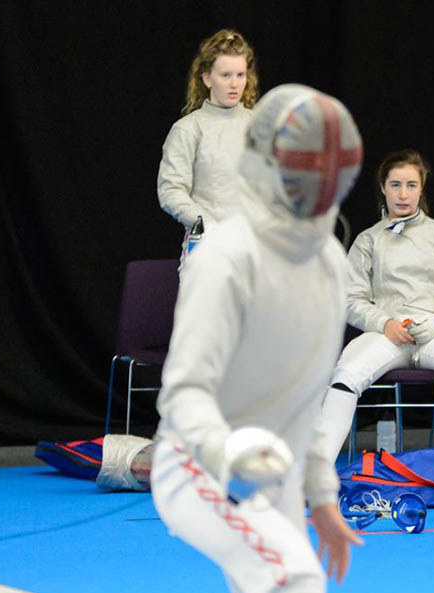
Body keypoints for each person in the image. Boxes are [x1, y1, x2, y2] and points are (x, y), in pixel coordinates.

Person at [150, 84, 364, 592]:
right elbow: (184, 391)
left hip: (277, 473)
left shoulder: (330, 264)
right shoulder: (227, 258)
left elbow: (305, 400)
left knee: (269, 581)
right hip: (200, 465)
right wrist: (227, 459)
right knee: (293, 577)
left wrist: (322, 497)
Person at [314, 149, 434, 460]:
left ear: (421, 189)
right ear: (383, 187)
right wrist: (385, 324)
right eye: (395, 185)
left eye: (411, 185)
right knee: (344, 378)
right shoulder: (369, 239)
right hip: (387, 336)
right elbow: (351, 299)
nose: (403, 194)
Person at [157, 29, 258, 270]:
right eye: (225, 75)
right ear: (207, 78)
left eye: (240, 75)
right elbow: (171, 189)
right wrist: (204, 223)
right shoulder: (188, 129)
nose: (234, 83)